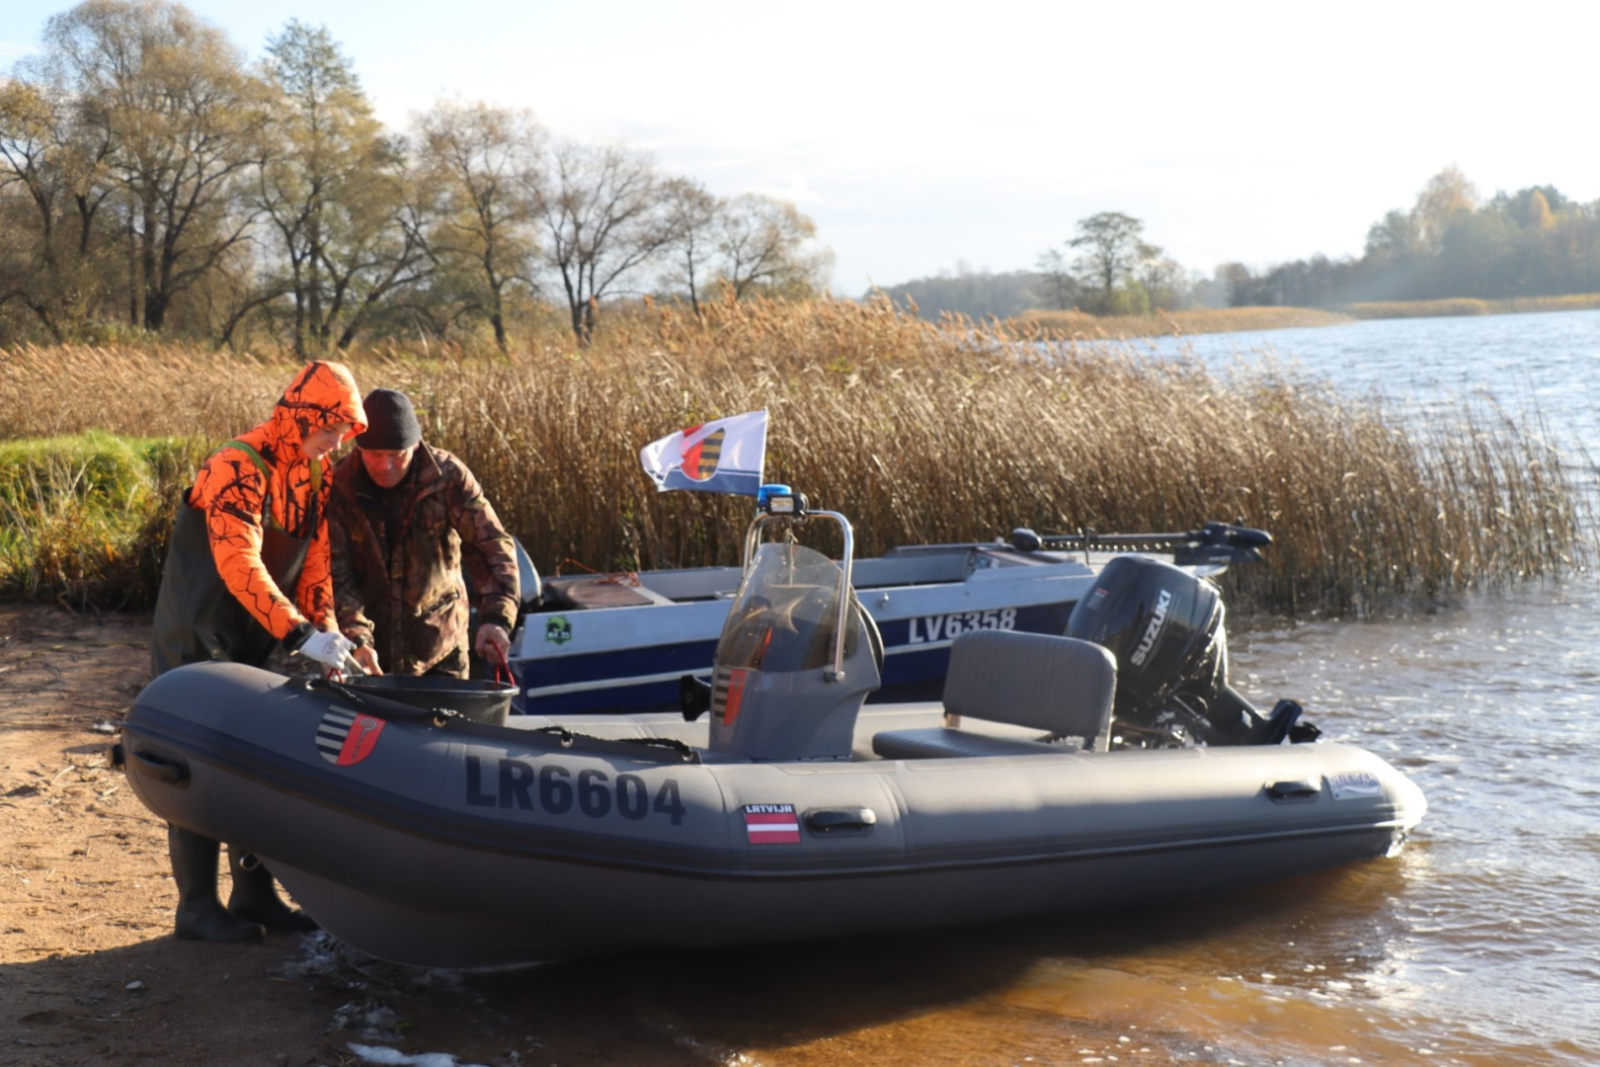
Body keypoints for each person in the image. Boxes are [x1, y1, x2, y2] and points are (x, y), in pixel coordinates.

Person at [149, 360, 367, 943]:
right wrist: (299, 634)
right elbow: (237, 561)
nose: (339, 442)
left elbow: (315, 562)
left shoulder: (316, 476)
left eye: (346, 431)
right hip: (195, 632)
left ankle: (254, 896)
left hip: (255, 635)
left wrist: (326, 629)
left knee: (254, 760)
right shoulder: (236, 466)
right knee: (191, 763)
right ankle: (196, 906)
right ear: (302, 417)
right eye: (333, 429)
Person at [328, 388, 520, 679]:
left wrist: (495, 618)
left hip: (441, 647)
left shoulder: (447, 477)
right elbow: (335, 573)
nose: (385, 465)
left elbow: (491, 546)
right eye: (375, 454)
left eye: (397, 454)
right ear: (357, 447)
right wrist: (356, 639)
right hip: (370, 657)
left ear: (415, 446)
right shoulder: (340, 486)